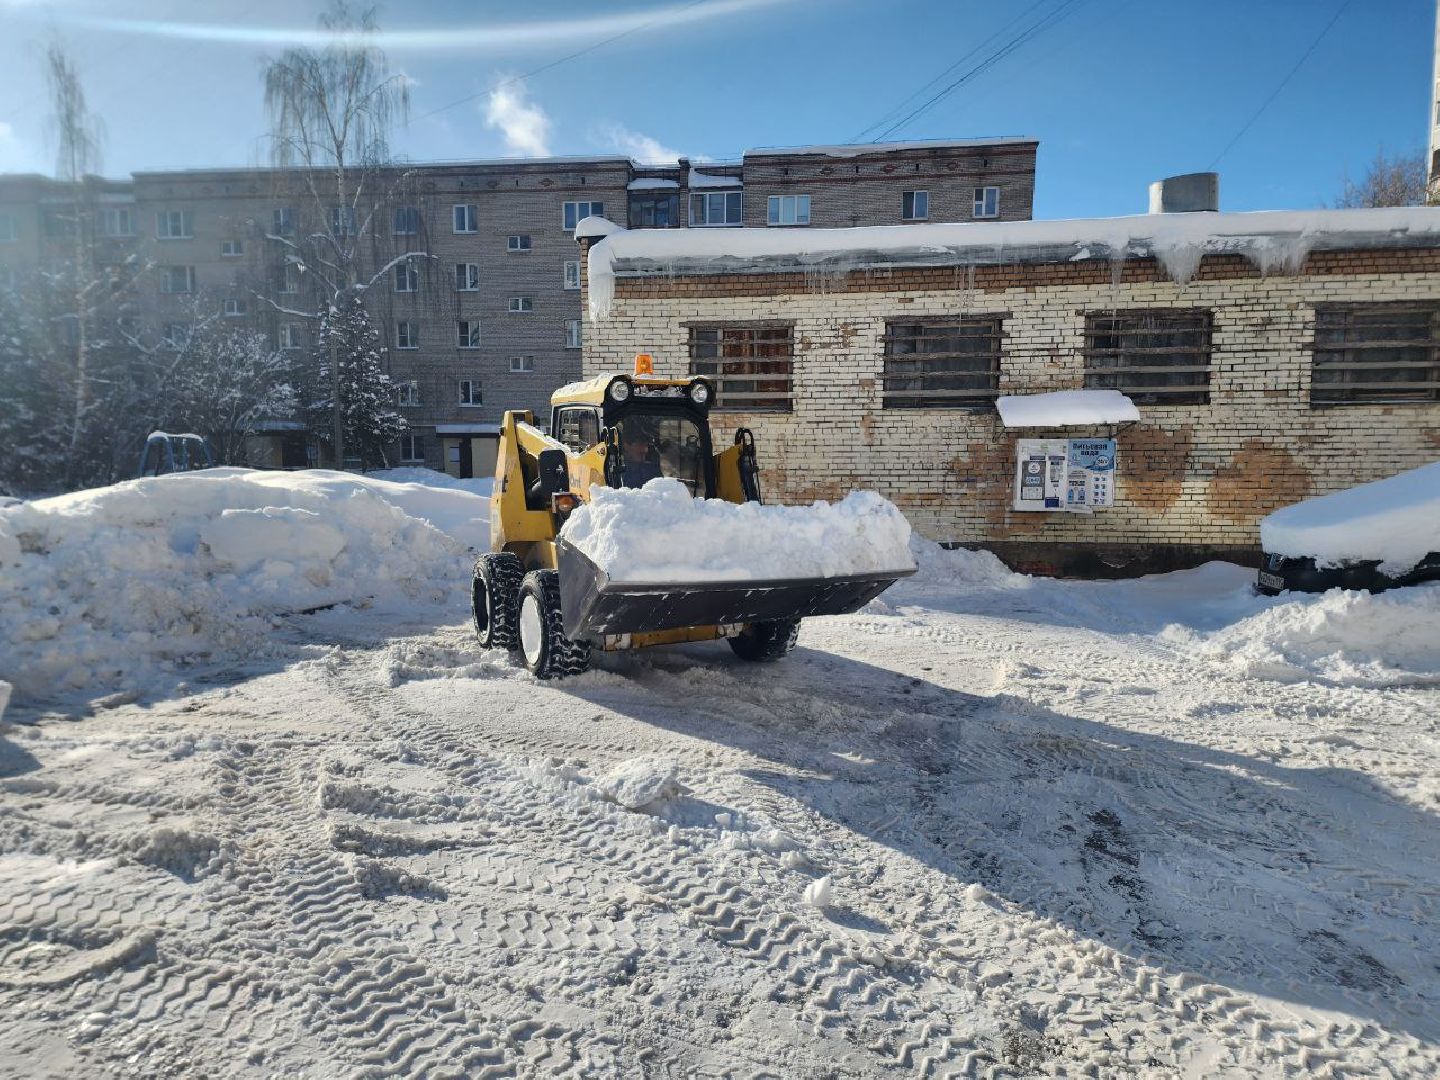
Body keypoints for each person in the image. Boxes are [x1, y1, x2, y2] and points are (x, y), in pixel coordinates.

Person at [621, 424, 663, 488]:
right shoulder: (614, 471)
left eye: (646, 445)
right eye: (640, 444)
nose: (645, 450)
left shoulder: (653, 471)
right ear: (626, 446)